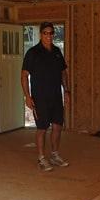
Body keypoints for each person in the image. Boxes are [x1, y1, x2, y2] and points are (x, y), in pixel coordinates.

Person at [21, 22, 70, 172]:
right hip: (40, 98)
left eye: (51, 33)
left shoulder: (56, 52)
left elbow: (63, 73)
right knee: (42, 128)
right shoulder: (33, 53)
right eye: (46, 33)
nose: (49, 36)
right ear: (41, 34)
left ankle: (55, 155)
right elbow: (24, 75)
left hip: (56, 96)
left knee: (57, 127)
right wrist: (27, 97)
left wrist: (66, 91)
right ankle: (41, 159)